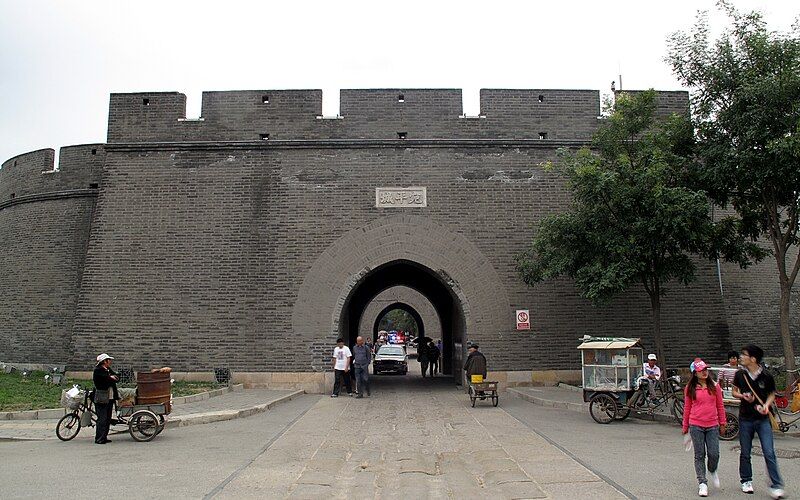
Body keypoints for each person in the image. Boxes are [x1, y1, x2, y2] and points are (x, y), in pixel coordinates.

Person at [732, 344, 784, 498]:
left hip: (762, 420)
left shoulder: (766, 376)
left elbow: (771, 394)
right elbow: (735, 392)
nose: (741, 357)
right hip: (745, 418)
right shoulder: (740, 375)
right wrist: (743, 396)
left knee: (769, 452)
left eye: (744, 354)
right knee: (745, 452)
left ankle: (776, 485)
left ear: (753, 359)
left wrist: (766, 406)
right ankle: (746, 480)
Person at [682, 358, 727, 497]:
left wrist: (723, 422)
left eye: (706, 370)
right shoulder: (690, 388)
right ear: (695, 373)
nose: (704, 372)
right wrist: (685, 427)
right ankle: (702, 482)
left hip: (712, 425)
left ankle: (712, 470)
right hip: (696, 425)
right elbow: (687, 407)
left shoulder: (715, 386)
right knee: (699, 455)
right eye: (701, 370)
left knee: (714, 454)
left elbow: (720, 405)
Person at [92, 353, 119, 444]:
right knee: (102, 419)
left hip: (110, 398)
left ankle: (104, 436)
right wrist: (111, 378)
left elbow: (116, 377)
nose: (110, 362)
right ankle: (99, 438)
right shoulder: (98, 370)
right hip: (101, 397)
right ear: (104, 361)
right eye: (108, 360)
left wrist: (112, 377)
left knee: (108, 418)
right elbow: (107, 380)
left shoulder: (107, 369)